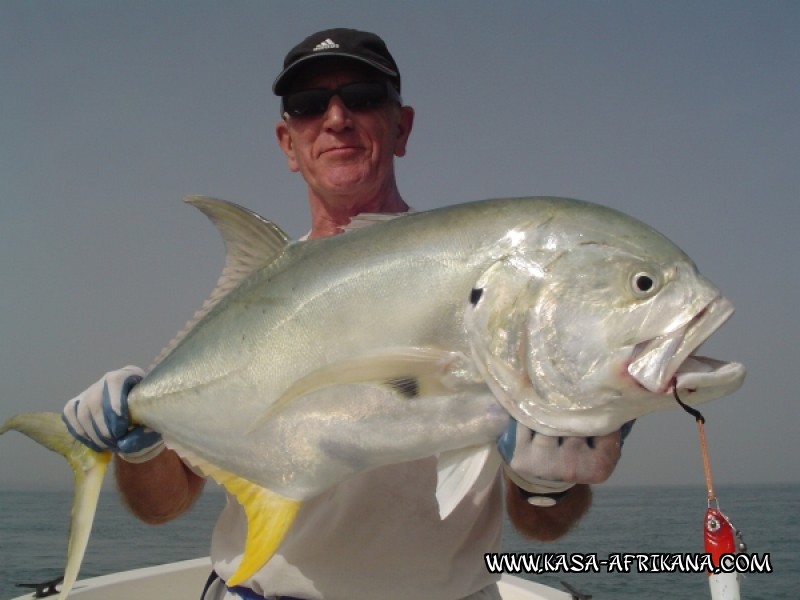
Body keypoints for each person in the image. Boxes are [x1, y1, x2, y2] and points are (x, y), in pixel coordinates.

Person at [62, 29, 627, 600]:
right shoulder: (253, 303)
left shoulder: (478, 280)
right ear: (288, 142)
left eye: (362, 96)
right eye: (309, 106)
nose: (336, 118)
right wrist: (142, 444)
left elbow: (539, 525)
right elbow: (166, 503)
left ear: (401, 126)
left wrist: (544, 486)